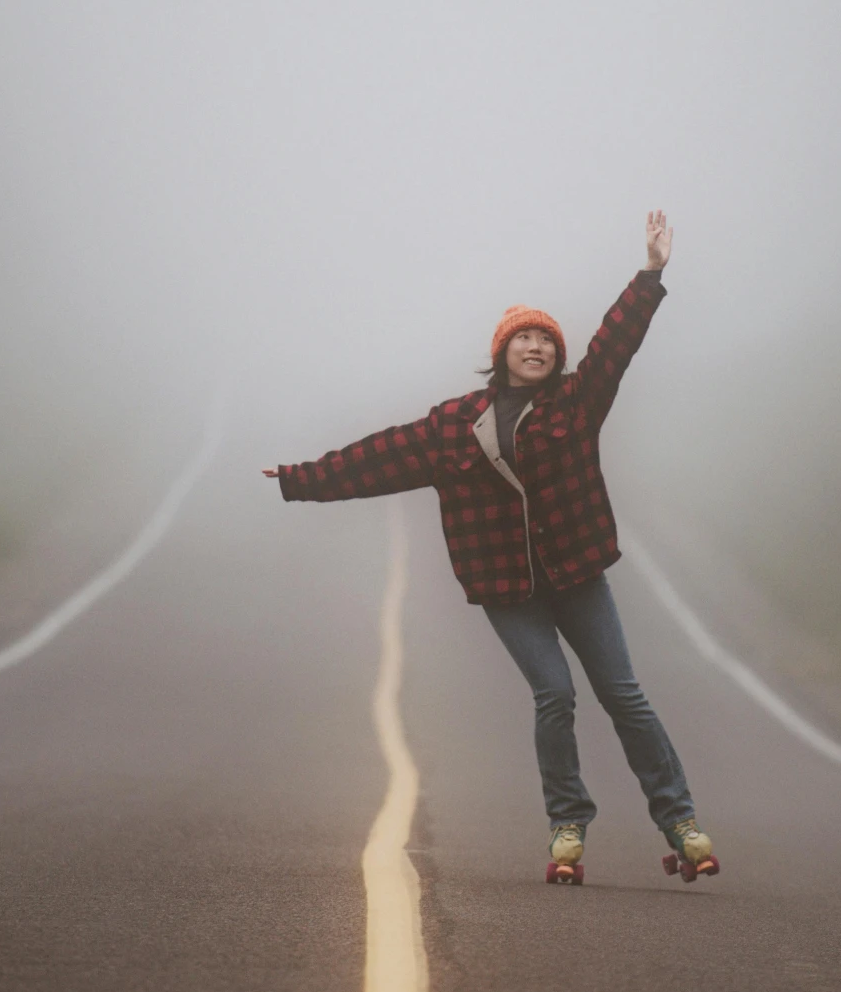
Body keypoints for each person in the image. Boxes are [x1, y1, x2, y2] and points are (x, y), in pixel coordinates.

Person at [263, 212, 718, 887]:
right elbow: (380, 459)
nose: (535, 347)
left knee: (624, 695)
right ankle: (568, 823)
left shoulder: (576, 402)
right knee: (555, 695)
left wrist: (650, 273)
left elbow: (617, 343)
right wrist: (302, 479)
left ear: (556, 355)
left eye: (544, 339)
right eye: (523, 338)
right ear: (501, 351)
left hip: (578, 574)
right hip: (510, 590)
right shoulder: (454, 425)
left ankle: (680, 821)